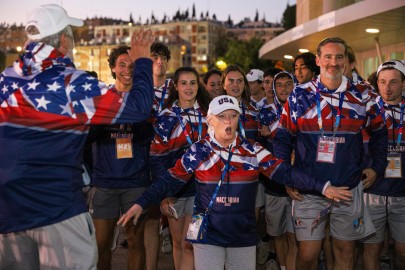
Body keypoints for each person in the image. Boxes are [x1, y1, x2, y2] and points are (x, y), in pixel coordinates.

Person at [117, 95, 352, 270]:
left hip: (243, 237)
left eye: (233, 115)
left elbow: (285, 173)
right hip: (208, 236)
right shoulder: (199, 151)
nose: (228, 121)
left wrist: (323, 186)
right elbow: (168, 181)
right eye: (222, 117)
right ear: (210, 120)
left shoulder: (252, 150)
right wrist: (141, 203)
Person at [0, 4, 154, 269]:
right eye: (71, 35)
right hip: (57, 211)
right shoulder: (73, 83)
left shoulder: (5, 79)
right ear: (63, 39)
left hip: (8, 215)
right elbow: (139, 107)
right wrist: (142, 61)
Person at [273, 37, 388, 270]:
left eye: (339, 57)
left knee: (345, 252)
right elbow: (283, 138)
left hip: (348, 187)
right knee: (307, 254)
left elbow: (380, 132)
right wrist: (287, 177)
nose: (333, 62)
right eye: (328, 56)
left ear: (346, 61)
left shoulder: (363, 94)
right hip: (308, 187)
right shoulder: (299, 95)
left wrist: (376, 166)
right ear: (318, 60)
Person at [87, 45, 154, 270]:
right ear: (113, 69)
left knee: (135, 243)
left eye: (132, 65)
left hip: (135, 183)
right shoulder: (102, 99)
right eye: (122, 65)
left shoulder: (144, 101)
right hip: (104, 183)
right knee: (101, 245)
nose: (127, 70)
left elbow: (151, 139)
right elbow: (88, 137)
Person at [150, 67, 211, 269]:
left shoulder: (208, 114)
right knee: (178, 242)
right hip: (175, 190)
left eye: (193, 82)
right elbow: (157, 157)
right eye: (183, 83)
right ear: (175, 87)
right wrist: (165, 192)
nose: (188, 87)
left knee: (190, 242)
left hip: (202, 189)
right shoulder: (166, 116)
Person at [362, 60, 405, 270]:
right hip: (372, 191)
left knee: (402, 251)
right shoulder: (366, 111)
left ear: (403, 84)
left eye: (394, 82)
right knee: (371, 249)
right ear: (377, 83)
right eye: (382, 82)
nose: (387, 88)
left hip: (402, 193)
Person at [258, 71, 296, 270]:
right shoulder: (264, 112)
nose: (283, 88)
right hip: (274, 183)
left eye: (288, 84)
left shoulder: (303, 110)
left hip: (297, 183)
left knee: (294, 234)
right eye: (279, 85)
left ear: (294, 86)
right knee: (277, 234)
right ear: (274, 88)